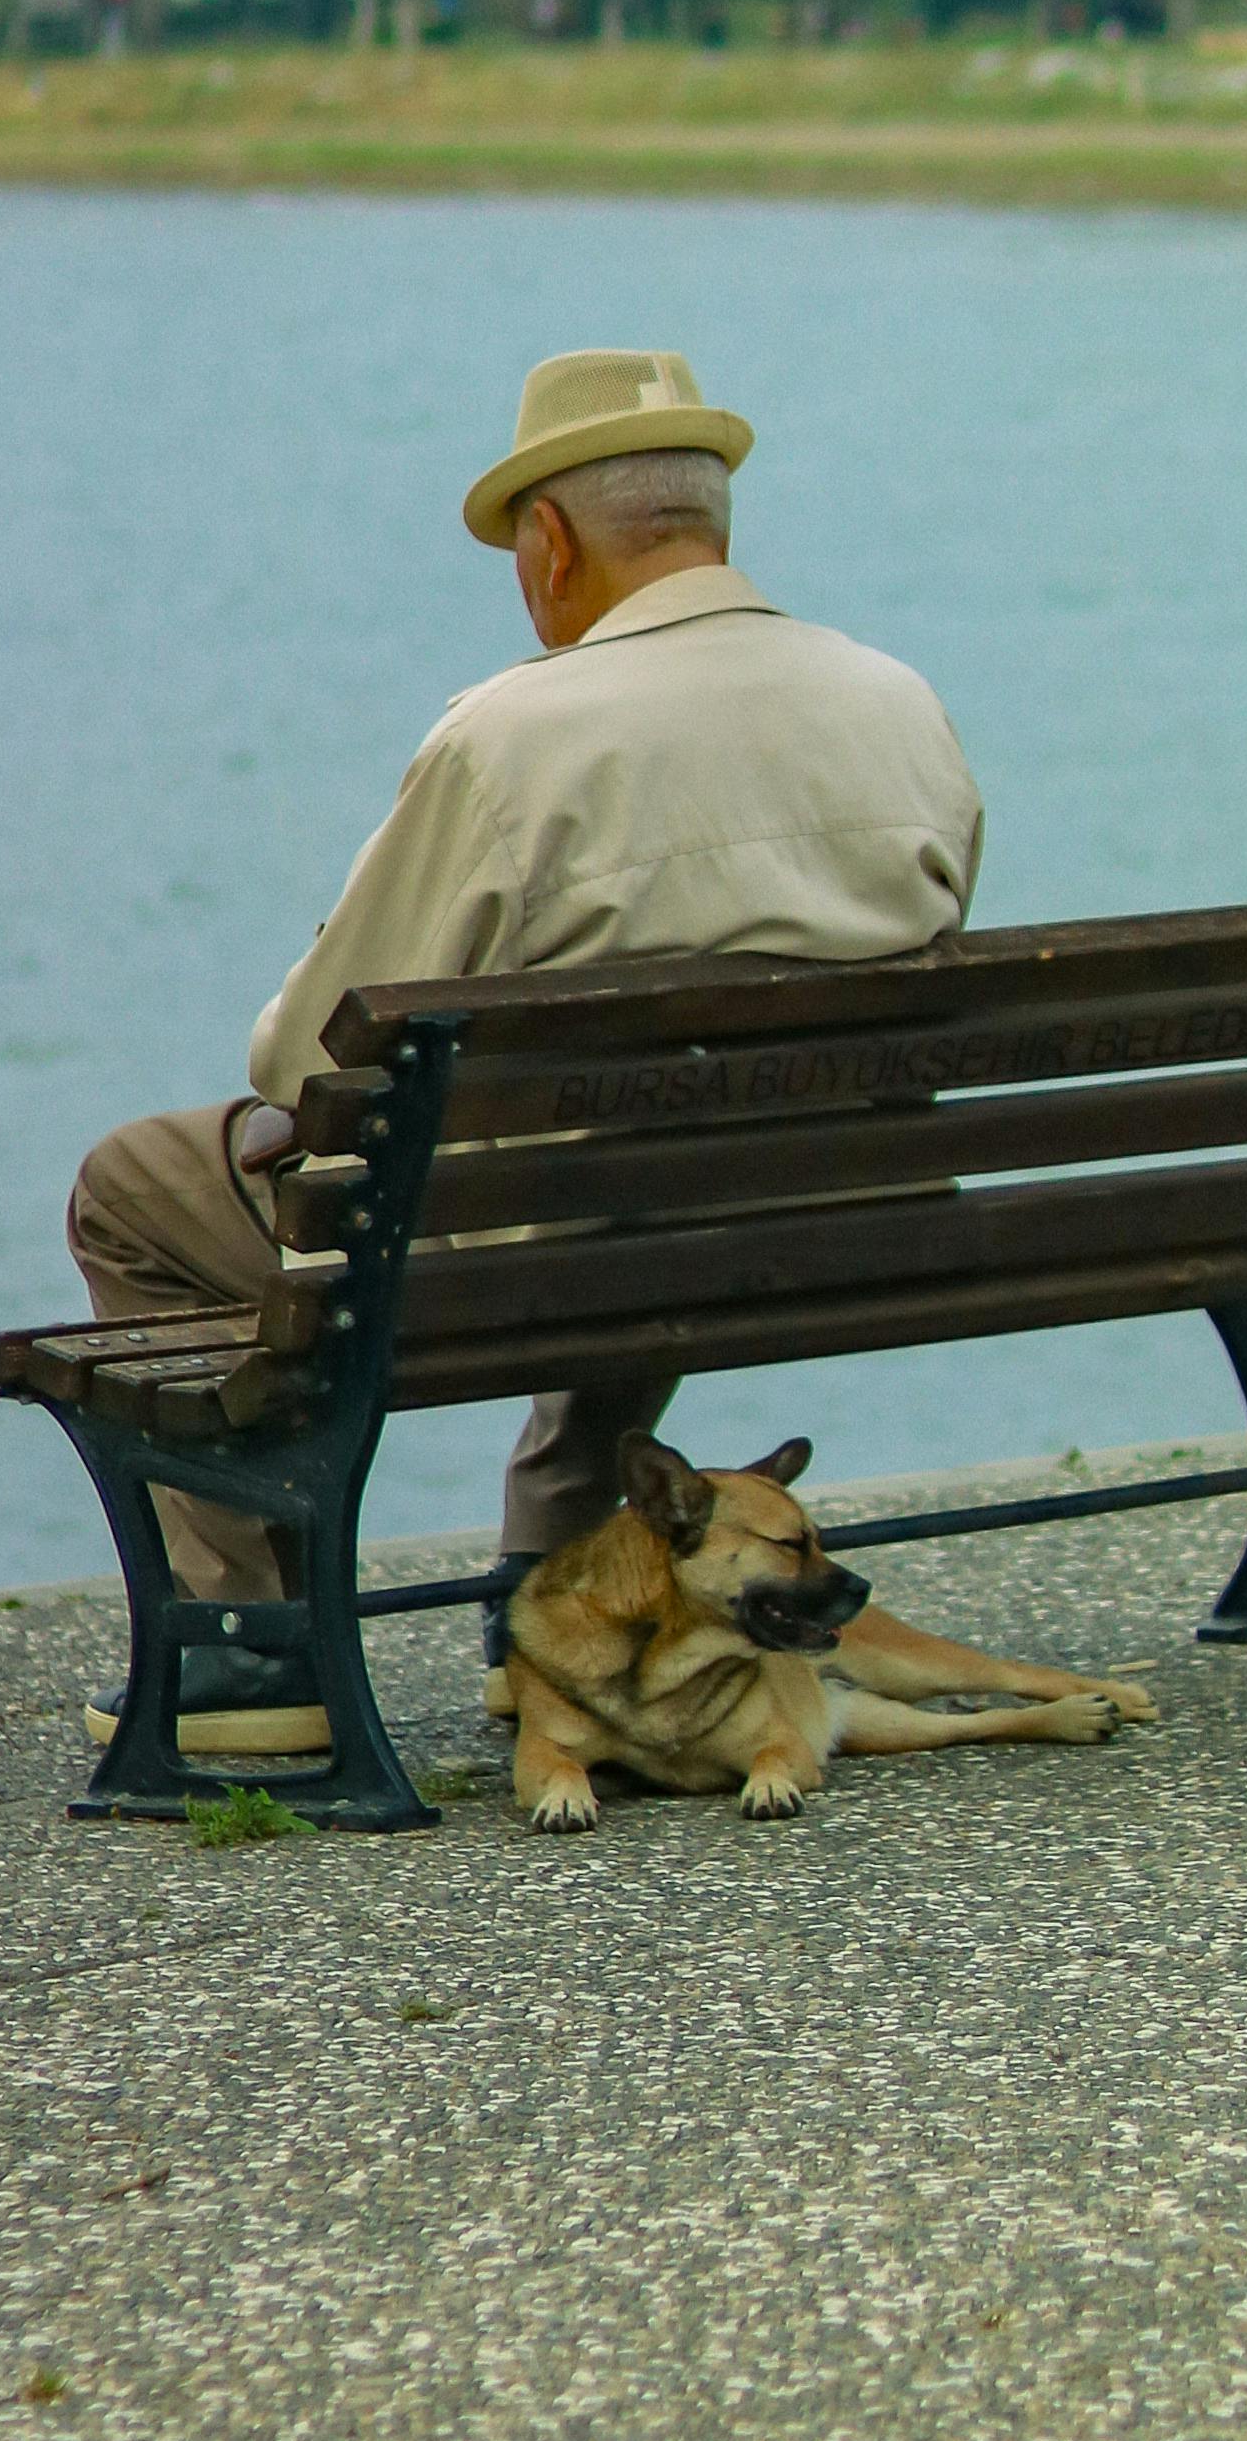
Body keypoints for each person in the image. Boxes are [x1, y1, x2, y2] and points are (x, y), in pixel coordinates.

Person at [66, 344, 983, 1756]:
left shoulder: (513, 735)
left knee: (135, 1178)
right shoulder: (897, 701)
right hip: (799, 1227)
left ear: (550, 543)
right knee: (630, 1177)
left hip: (537, 1241)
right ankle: (542, 1599)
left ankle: (259, 1648)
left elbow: (309, 1049)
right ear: (708, 521)